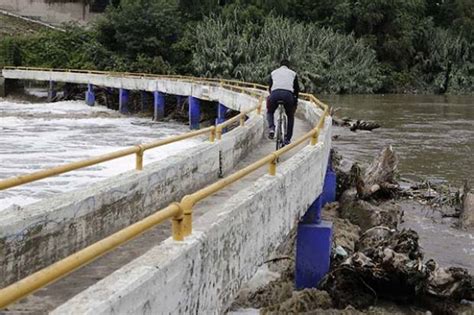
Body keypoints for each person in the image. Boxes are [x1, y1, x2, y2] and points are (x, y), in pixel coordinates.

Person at [267, 59, 299, 144]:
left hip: (275, 94)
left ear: (280, 65)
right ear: (288, 66)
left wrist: (272, 96)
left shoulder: (273, 72)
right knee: (290, 116)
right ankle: (287, 139)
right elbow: (296, 90)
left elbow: (270, 88)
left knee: (270, 112)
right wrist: (295, 100)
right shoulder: (293, 73)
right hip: (288, 95)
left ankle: (271, 128)